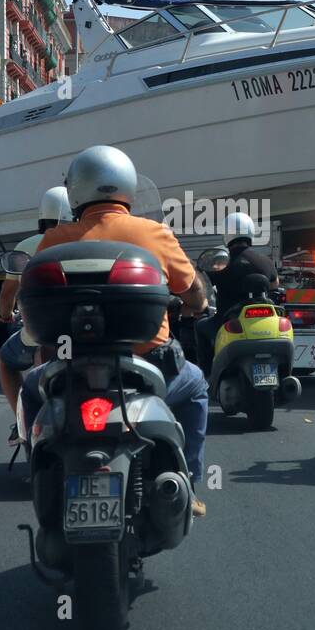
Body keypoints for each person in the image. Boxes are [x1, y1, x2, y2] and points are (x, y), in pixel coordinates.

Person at [18, 145, 212, 516]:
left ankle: (40, 474)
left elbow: (31, 294)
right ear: (126, 186)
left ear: (76, 191)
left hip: (69, 369)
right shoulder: (154, 233)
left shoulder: (56, 239)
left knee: (30, 389)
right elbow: (193, 290)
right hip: (148, 365)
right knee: (198, 386)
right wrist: (198, 306)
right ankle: (190, 482)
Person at [0, 186, 73, 437]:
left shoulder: (27, 245)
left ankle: (21, 422)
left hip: (42, 326)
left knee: (6, 360)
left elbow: (8, 293)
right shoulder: (86, 240)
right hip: (86, 324)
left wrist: (5, 314)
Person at [195, 212, 279, 374]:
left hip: (228, 320)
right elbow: (274, 285)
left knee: (200, 326)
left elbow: (203, 286)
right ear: (250, 232)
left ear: (227, 234)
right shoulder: (266, 261)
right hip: (264, 322)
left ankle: (205, 375)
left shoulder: (220, 262)